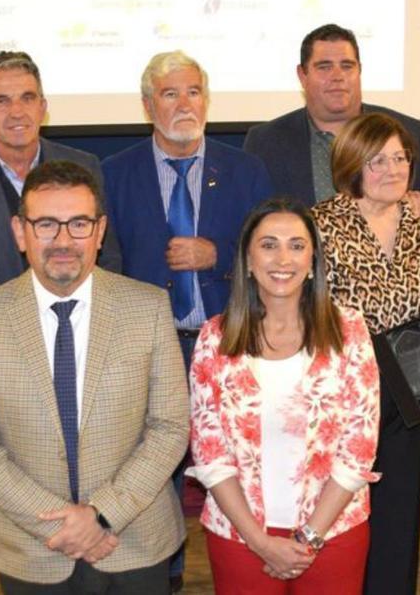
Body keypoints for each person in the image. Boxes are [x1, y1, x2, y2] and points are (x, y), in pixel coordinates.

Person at [0, 160, 189, 593]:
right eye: (45, 224)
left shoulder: (147, 308)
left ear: (100, 232)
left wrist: (100, 515)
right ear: (20, 232)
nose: (63, 241)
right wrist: (63, 524)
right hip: (31, 546)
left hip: (133, 540)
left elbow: (170, 427)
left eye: (78, 224)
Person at [102, 50, 273, 589]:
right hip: (150, 345)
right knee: (156, 468)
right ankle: (164, 574)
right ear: (148, 104)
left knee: (241, 459)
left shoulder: (245, 169)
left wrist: (216, 255)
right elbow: (106, 264)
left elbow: (271, 250)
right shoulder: (113, 173)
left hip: (229, 341)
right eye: (171, 94)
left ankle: (250, 561)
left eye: (193, 92)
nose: (184, 104)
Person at [187, 197, 381, 592]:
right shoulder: (214, 338)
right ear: (247, 260)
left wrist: (310, 537)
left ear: (313, 263)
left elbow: (359, 448)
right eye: (268, 244)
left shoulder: (350, 332)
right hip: (239, 535)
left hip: (333, 531)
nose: (283, 258)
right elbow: (210, 455)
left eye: (296, 245)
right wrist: (259, 543)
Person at [310, 112, 420, 593]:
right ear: (353, 163)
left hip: (412, 386)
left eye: (400, 158)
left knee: (399, 510)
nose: (393, 169)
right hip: (344, 393)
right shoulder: (319, 225)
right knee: (339, 507)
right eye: (378, 160)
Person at [0, 50, 121, 296]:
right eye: (1, 101)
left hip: (78, 323)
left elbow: (108, 258)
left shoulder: (85, 167)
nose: (17, 111)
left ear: (42, 107)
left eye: (27, 98)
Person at [242, 23, 420, 207]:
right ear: (302, 75)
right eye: (324, 67)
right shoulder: (266, 141)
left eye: (347, 66)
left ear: (359, 71)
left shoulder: (407, 131)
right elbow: (251, 221)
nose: (338, 76)